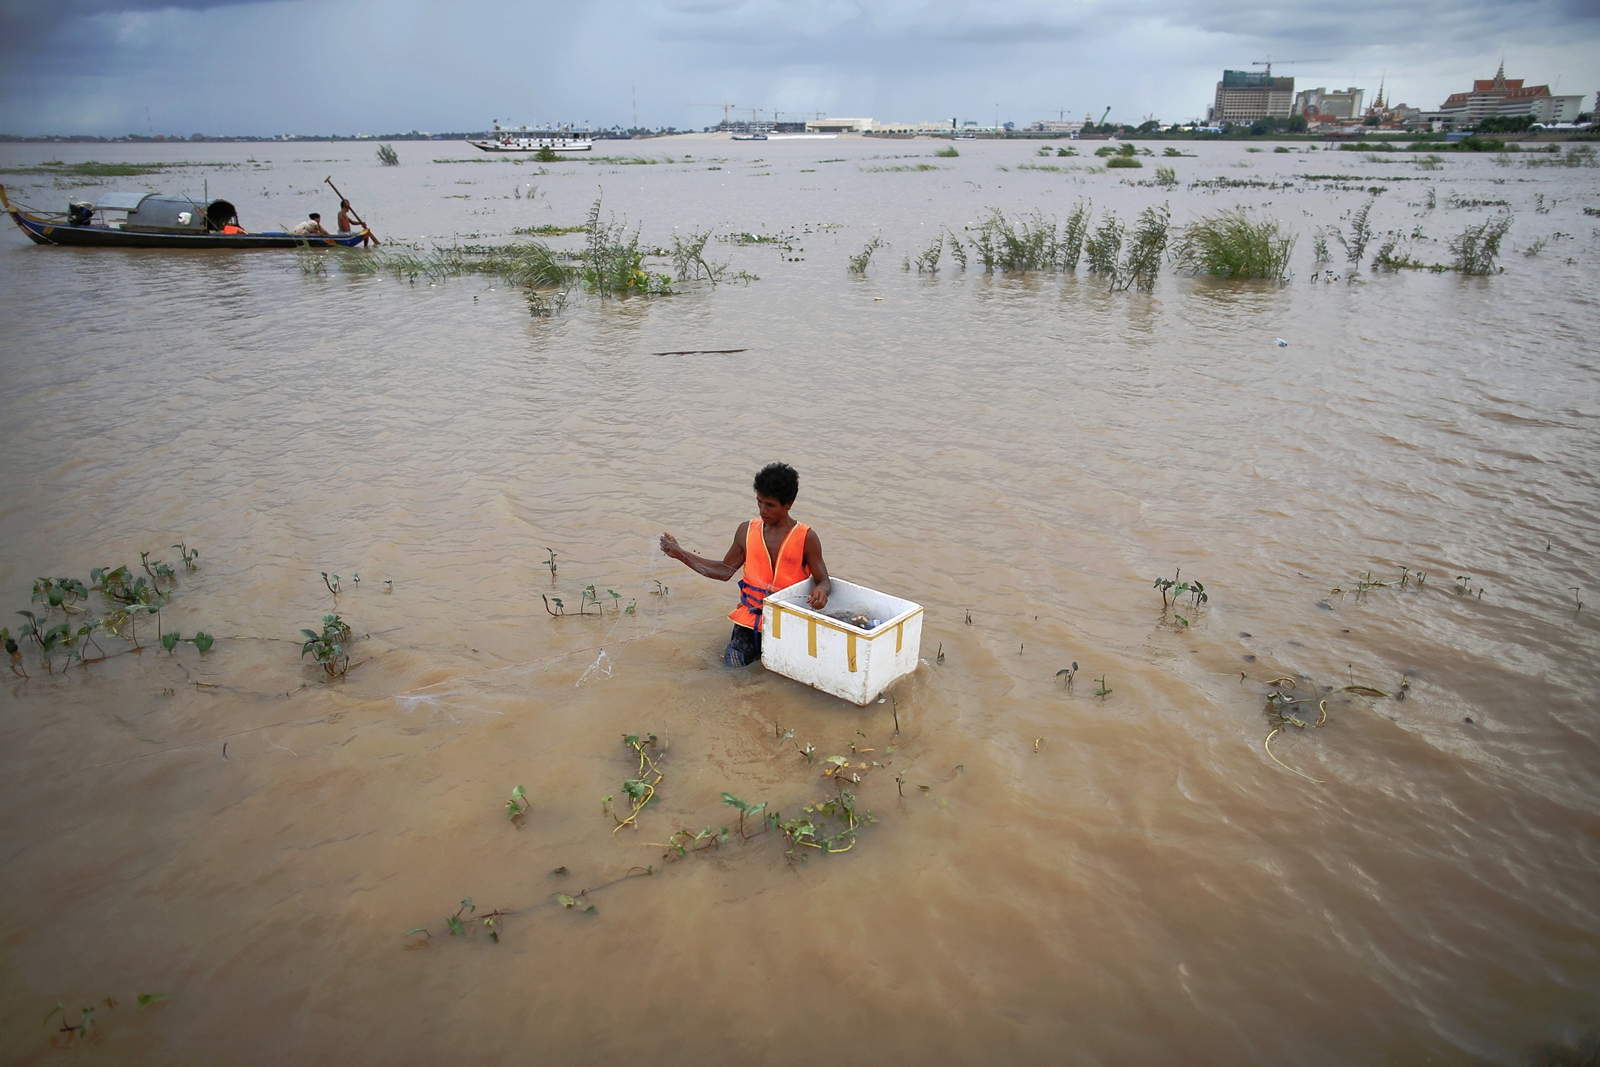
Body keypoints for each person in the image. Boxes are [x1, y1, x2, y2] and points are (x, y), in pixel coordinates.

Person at [660, 462, 831, 667]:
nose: (762, 511)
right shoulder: (746, 531)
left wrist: (821, 592)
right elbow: (724, 571)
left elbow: (823, 581)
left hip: (789, 623)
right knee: (733, 670)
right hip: (749, 621)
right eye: (759, 502)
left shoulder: (807, 538)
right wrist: (680, 554)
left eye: (770, 505)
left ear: (789, 504)